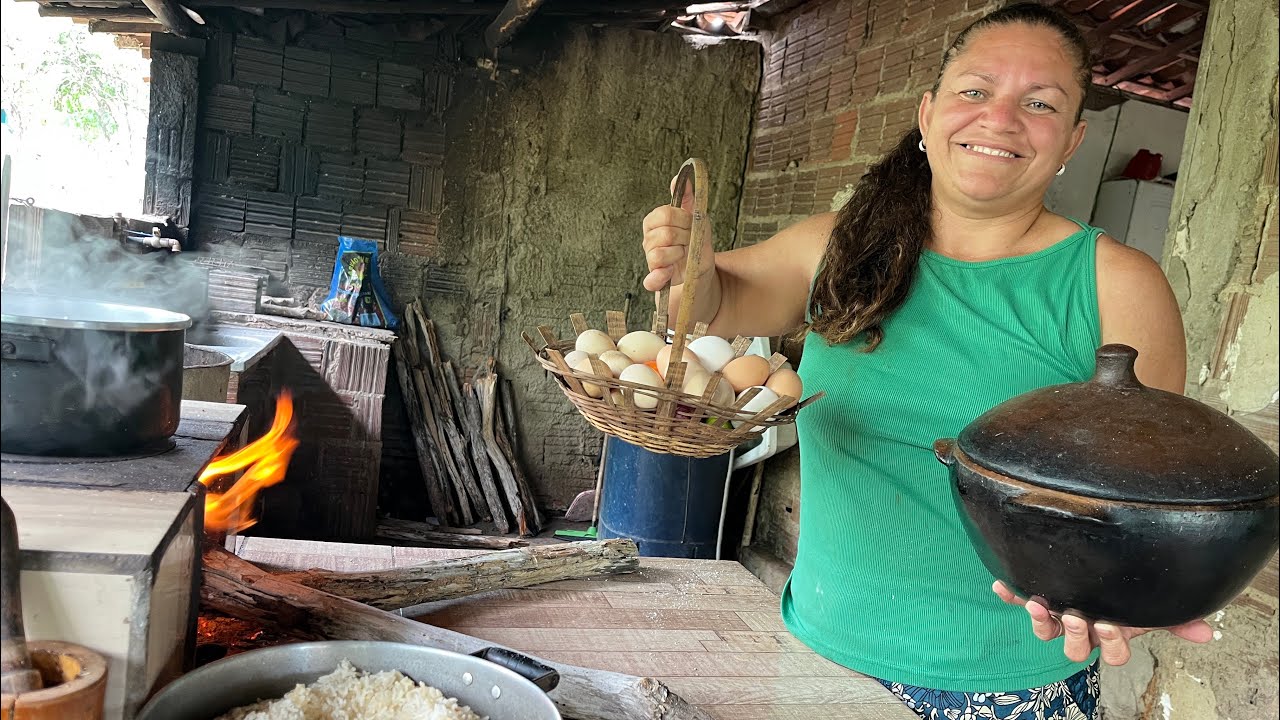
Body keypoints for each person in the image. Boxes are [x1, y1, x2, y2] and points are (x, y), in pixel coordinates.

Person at [640, 3, 1212, 718]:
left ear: (1072, 140)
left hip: (998, 683)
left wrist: (1138, 586)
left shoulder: (1113, 285)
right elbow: (714, 302)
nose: (999, 118)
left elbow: (1151, 495)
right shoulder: (841, 246)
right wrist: (687, 268)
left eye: (1039, 104)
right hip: (816, 646)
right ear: (928, 111)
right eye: (975, 90)